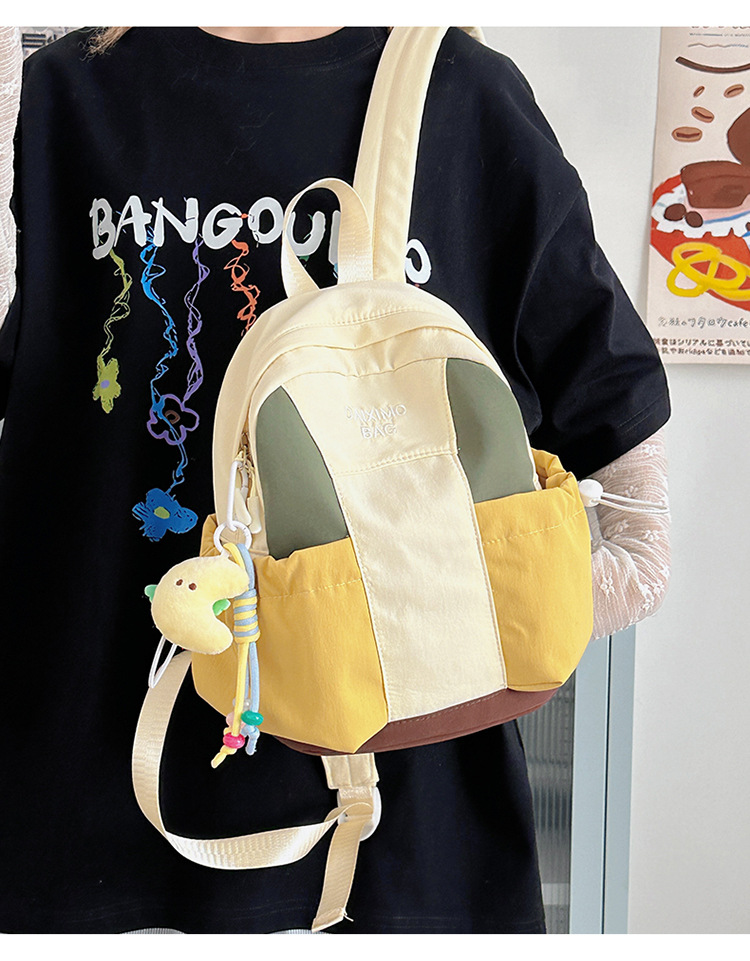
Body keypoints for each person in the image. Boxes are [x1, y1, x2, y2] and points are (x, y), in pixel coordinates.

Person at [0, 26, 670, 934]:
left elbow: (618, 434)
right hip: (85, 784)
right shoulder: (62, 94)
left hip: (400, 806)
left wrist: (500, 620)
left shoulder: (464, 94)